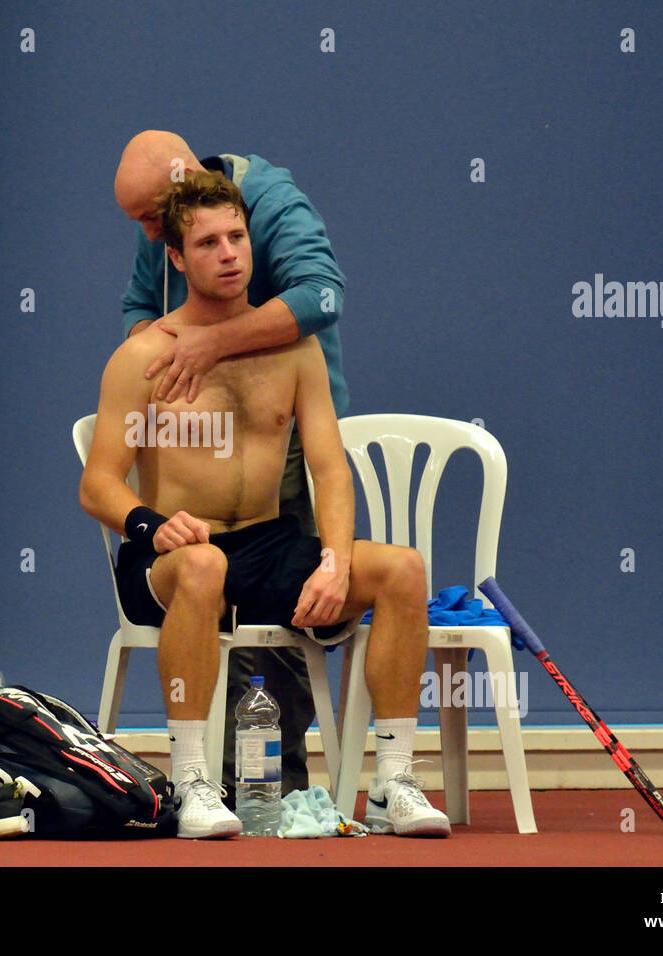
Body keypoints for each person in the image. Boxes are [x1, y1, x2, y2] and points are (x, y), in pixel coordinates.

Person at [82, 171, 448, 839]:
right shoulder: (141, 356)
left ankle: (394, 780)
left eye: (237, 237)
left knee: (402, 570)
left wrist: (335, 563)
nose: (228, 254)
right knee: (202, 568)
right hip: (171, 556)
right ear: (176, 258)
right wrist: (154, 527)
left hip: (267, 541)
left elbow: (330, 470)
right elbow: (98, 484)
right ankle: (193, 781)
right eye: (208, 244)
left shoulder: (295, 348)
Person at [114, 130, 347, 798]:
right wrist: (155, 359)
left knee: (282, 611)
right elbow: (138, 308)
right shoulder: (166, 224)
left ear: (185, 182)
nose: (148, 232)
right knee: (207, 572)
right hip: (202, 427)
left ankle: (276, 782)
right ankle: (205, 779)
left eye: (152, 216)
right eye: (144, 223)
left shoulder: (270, 201)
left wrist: (212, 345)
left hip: (285, 424)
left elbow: (323, 296)